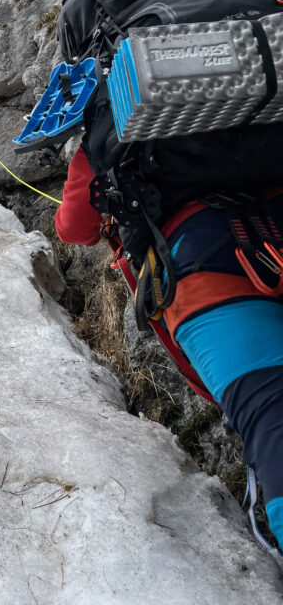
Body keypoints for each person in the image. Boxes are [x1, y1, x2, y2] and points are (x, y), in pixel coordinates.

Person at [57, 140, 283, 545]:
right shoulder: (257, 82)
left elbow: (74, 228)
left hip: (200, 266)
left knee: (271, 412)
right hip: (274, 221)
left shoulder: (118, 114)